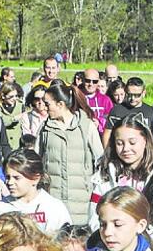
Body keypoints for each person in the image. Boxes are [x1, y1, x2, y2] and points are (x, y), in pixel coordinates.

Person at [38, 82, 104, 227]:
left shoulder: (86, 126)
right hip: (53, 199)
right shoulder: (45, 129)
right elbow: (35, 161)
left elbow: (101, 160)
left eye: (47, 104)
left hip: (82, 201)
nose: (44, 107)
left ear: (60, 104)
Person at [0, 149, 71, 235]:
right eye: (7, 177)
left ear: (35, 179)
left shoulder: (54, 208)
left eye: (16, 178)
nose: (9, 182)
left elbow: (66, 244)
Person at [91, 115, 153, 204]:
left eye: (132, 142)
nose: (126, 148)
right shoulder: (106, 173)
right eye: (119, 143)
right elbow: (95, 210)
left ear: (145, 140)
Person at [104, 77, 153, 142]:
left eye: (137, 95)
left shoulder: (150, 111)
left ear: (144, 93)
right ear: (125, 91)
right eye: (129, 94)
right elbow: (107, 134)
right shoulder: (116, 111)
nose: (132, 98)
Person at [82, 68, 113, 135]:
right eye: (88, 81)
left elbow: (110, 121)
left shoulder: (105, 100)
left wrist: (99, 124)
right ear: (83, 80)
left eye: (94, 81)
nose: (91, 84)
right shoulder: (77, 98)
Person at [0, 81, 25, 152]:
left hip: (18, 144)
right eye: (11, 97)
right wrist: (14, 119)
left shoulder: (20, 106)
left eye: (16, 96)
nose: (14, 98)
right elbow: (0, 122)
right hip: (3, 144)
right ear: (3, 96)